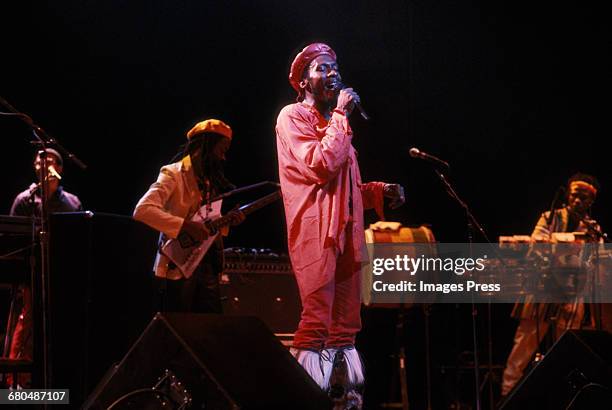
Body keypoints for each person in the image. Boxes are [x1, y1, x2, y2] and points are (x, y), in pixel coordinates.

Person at [275, 43, 405, 406]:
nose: (332, 73)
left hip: (347, 234)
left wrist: (379, 193)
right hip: (316, 234)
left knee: (346, 328)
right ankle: (303, 396)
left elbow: (346, 191)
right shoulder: (292, 118)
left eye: (335, 67)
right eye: (322, 68)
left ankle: (343, 398)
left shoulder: (336, 126)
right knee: (316, 322)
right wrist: (341, 116)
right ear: (303, 81)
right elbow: (320, 165)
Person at [501, 172, 605, 397]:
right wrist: (565, 246)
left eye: (584, 198)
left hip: (572, 294)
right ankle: (507, 395)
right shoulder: (549, 218)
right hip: (543, 289)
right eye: (575, 195)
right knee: (523, 347)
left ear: (591, 202)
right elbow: (534, 247)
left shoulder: (593, 228)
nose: (578, 201)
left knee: (566, 349)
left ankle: (561, 398)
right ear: (568, 195)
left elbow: (595, 261)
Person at [133, 119, 244, 314]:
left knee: (208, 326)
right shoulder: (173, 174)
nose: (223, 158)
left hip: (205, 263)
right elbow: (142, 210)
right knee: (180, 325)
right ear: (205, 146)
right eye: (221, 150)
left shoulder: (208, 182)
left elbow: (204, 223)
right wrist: (184, 225)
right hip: (177, 265)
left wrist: (226, 222)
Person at [6, 148, 82, 386]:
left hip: (61, 274)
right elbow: (11, 237)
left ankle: (56, 383)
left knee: (60, 324)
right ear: (34, 167)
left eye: (50, 162)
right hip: (31, 274)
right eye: (40, 162)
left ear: (59, 168)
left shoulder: (71, 202)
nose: (44, 165)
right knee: (27, 322)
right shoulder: (24, 199)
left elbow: (76, 239)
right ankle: (16, 386)